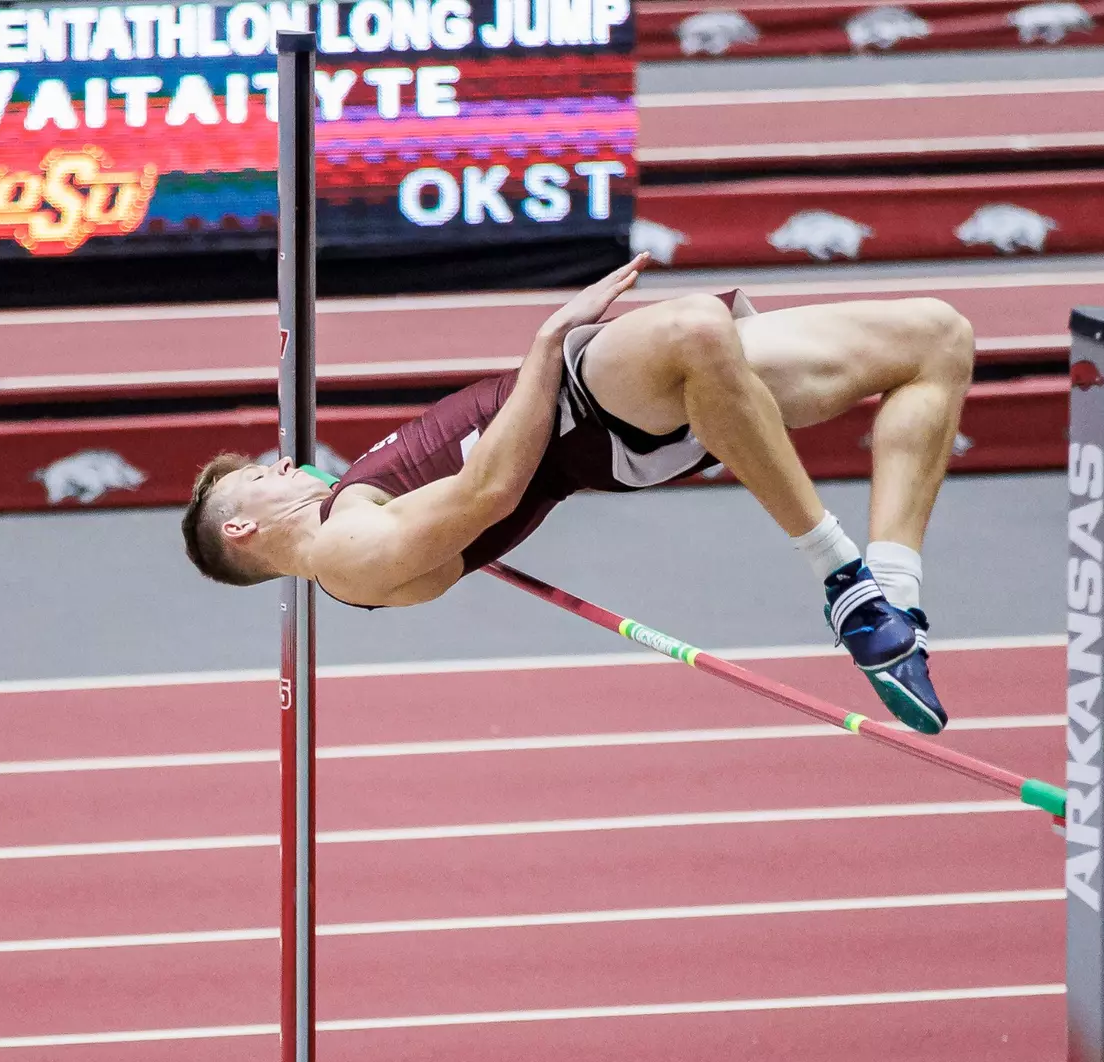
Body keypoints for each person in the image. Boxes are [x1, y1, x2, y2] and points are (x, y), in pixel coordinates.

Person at [182, 255, 973, 733]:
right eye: (261, 474)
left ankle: (894, 601)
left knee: (937, 336)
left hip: (604, 388)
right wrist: (548, 339)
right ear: (246, 527)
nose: (284, 465)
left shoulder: (341, 504)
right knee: (694, 325)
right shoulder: (345, 554)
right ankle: (842, 579)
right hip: (586, 413)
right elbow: (492, 489)